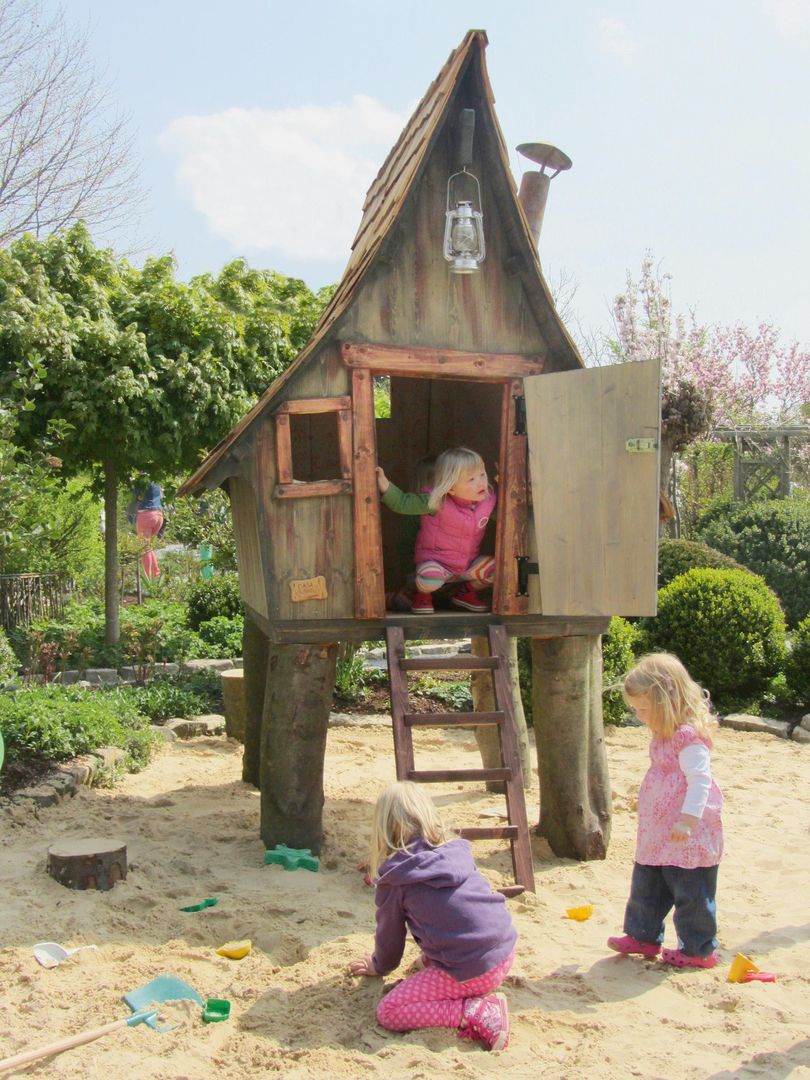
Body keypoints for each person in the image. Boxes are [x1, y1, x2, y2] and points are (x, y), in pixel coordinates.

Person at [348, 781, 516, 1051]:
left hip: (471, 970)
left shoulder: (396, 879)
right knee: (440, 932)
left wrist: (379, 966)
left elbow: (390, 941)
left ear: (383, 829)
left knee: (389, 1011)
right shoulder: (454, 850)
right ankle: (449, 971)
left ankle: (475, 1011)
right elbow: (460, 911)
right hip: (504, 951)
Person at [607, 652, 723, 969]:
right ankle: (643, 935)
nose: (639, 716)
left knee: (691, 892)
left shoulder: (689, 739)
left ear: (667, 701)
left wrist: (687, 821)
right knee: (648, 883)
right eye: (636, 710)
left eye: (644, 709)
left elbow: (700, 781)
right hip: (659, 831)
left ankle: (697, 950)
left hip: (687, 834)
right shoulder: (662, 734)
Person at [376, 446, 496, 614]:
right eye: (471, 479)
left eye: (482, 474)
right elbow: (403, 503)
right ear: (450, 487)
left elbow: (505, 516)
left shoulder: (487, 502)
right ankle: (422, 596)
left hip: (464, 569)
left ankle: (465, 593)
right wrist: (384, 485)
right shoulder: (436, 502)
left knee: (501, 570)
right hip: (436, 568)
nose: (481, 482)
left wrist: (507, 486)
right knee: (429, 578)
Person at [132, 476, 164, 580]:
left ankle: (147, 579)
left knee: (144, 548)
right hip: (159, 515)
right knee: (149, 547)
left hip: (146, 515)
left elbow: (138, 497)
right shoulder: (156, 479)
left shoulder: (141, 480)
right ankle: (156, 574)